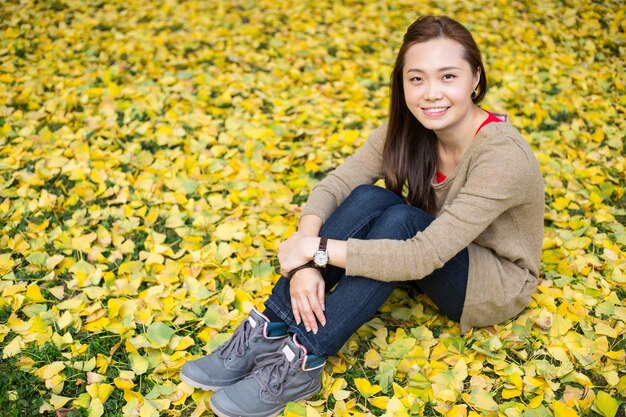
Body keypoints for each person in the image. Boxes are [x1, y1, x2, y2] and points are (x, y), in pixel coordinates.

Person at [179, 15, 544, 417]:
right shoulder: (410, 128)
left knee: (399, 221)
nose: (431, 93)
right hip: (430, 250)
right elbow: (334, 186)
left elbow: (423, 254)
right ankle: (270, 327)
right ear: (402, 82)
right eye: (417, 79)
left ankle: (302, 358)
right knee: (371, 196)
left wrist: (316, 250)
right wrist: (303, 265)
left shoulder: (502, 155)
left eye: (448, 77)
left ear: (475, 78)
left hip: (488, 283)